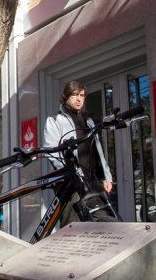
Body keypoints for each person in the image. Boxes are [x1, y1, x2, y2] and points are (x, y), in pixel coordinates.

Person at [44, 80, 114, 225]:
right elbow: (52, 152)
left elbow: (97, 152)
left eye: (82, 96)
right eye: (75, 95)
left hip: (93, 182)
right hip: (71, 183)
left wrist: (106, 177)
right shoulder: (54, 120)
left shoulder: (88, 121)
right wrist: (71, 173)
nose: (79, 99)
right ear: (65, 96)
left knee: (106, 223)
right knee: (73, 227)